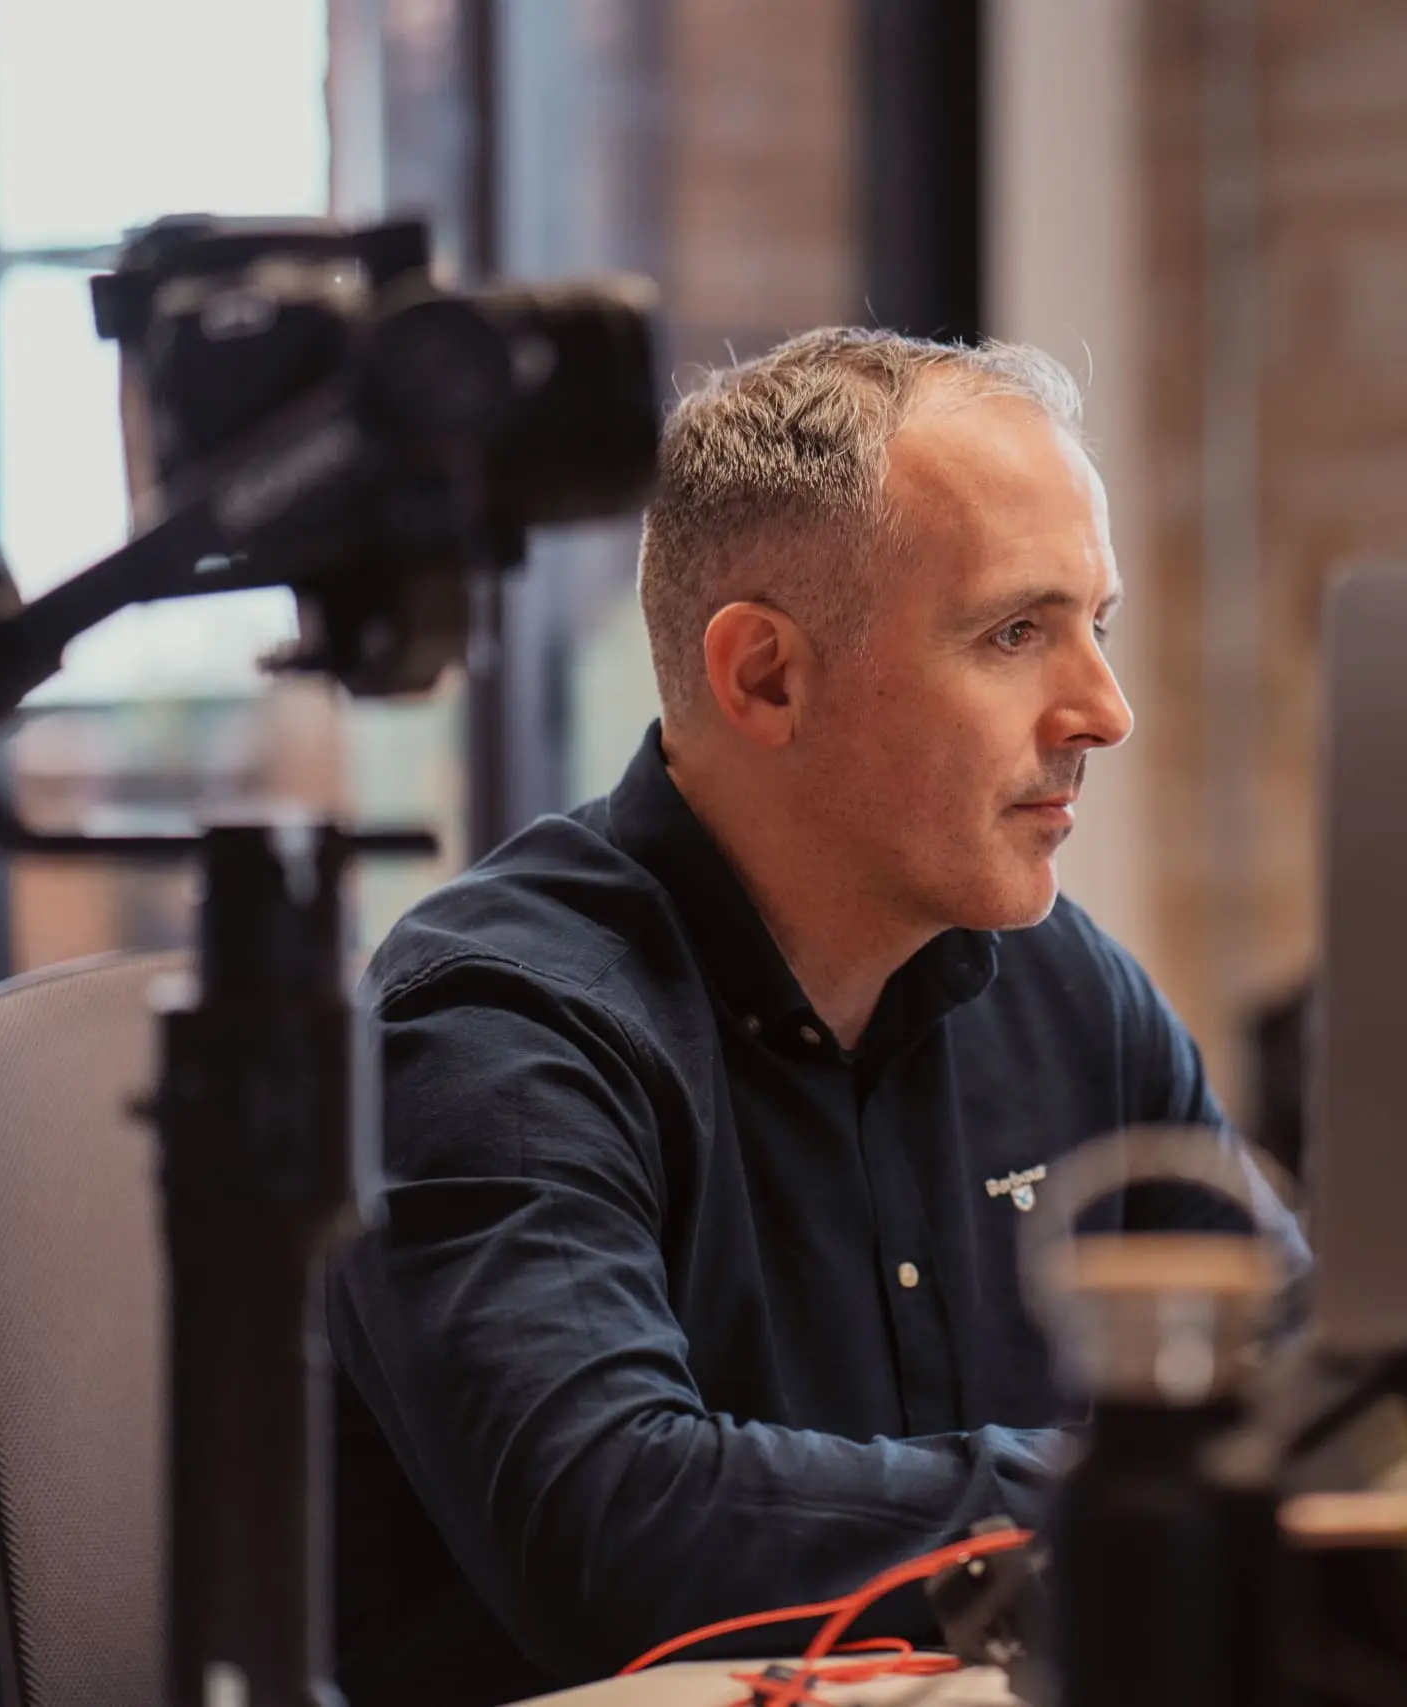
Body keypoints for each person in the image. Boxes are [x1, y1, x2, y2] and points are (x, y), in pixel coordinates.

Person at [326, 328, 1299, 1705]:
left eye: (1100, 623)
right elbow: (614, 1527)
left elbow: (1319, 1403)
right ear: (766, 676)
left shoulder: (1066, 985)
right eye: (1017, 631)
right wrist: (1131, 1493)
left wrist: (1174, 1491)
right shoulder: (491, 1025)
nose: (1105, 707)